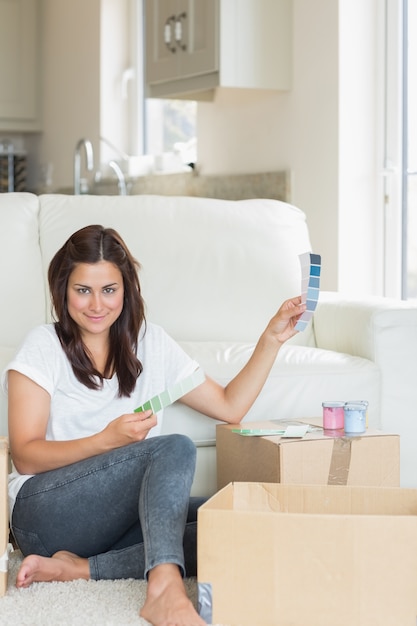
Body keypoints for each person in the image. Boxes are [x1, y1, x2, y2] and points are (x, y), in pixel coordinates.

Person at [2, 224, 305, 626]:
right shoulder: (43, 346)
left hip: (114, 521)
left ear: (126, 290)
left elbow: (230, 407)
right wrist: (105, 440)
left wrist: (271, 339)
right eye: (83, 290)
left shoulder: (152, 344)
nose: (96, 304)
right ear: (62, 290)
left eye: (108, 289)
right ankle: (164, 588)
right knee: (175, 446)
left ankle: (79, 569)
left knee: (230, 522)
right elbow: (25, 456)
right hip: (44, 514)